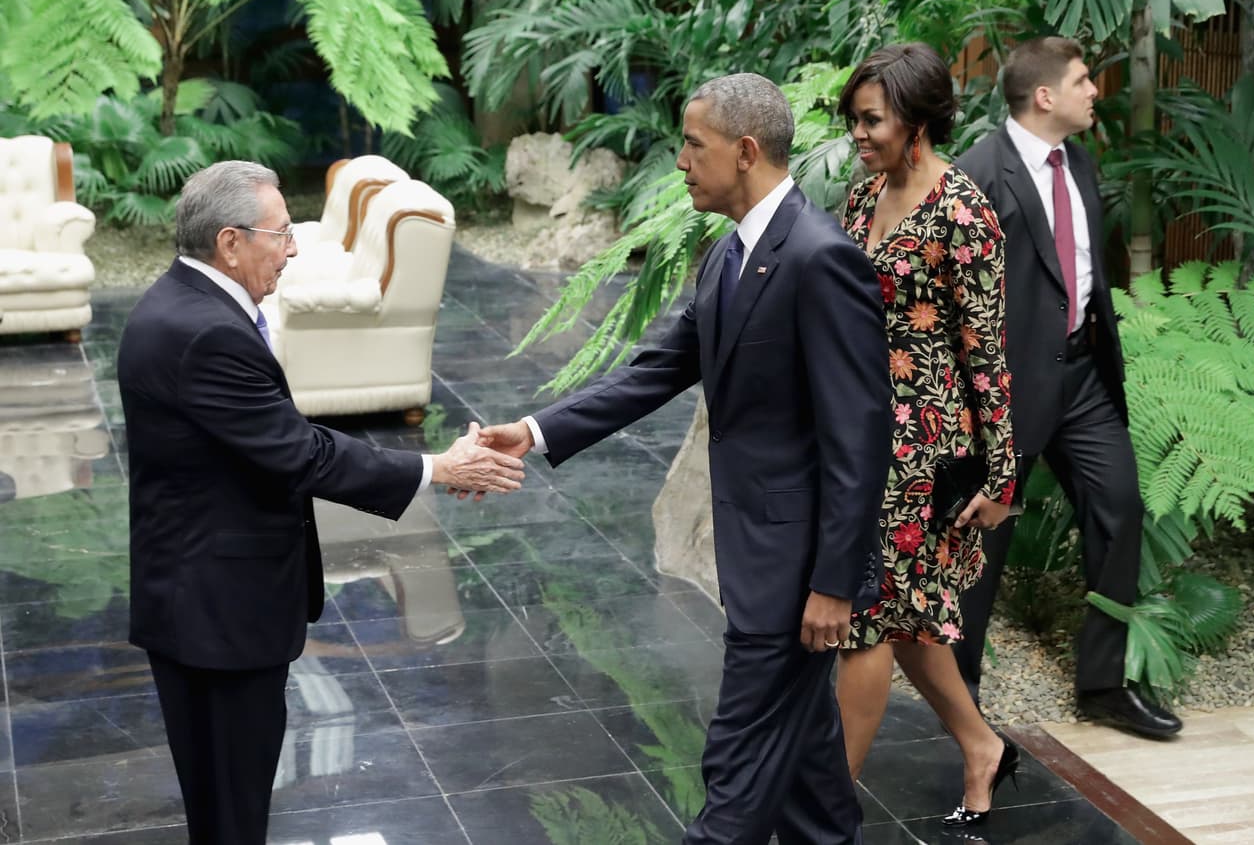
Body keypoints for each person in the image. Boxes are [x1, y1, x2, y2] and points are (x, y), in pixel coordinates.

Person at [479, 73, 892, 844]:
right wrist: (534, 430)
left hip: (793, 572)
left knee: (734, 778)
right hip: (759, 558)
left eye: (692, 145)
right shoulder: (728, 253)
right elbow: (654, 370)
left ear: (743, 152)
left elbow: (860, 434)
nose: (678, 162)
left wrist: (835, 583)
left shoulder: (819, 258)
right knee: (811, 789)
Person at [117, 160, 526, 844]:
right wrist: (437, 465)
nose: (294, 248)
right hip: (217, 612)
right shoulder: (205, 332)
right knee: (232, 810)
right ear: (230, 242)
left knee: (227, 805)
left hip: (201, 601)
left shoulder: (186, 305)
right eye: (282, 234)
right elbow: (301, 451)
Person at [954, 37, 1182, 738]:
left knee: (1120, 507)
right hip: (1010, 390)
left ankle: (1104, 686)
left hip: (1084, 375)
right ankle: (961, 703)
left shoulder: (1079, 161)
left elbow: (1081, 270)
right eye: (1083, 81)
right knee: (980, 548)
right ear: (1044, 95)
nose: (1095, 91)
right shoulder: (977, 174)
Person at [834, 43, 1021, 827]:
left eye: (870, 120)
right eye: (853, 119)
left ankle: (823, 802)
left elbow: (987, 350)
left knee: (868, 616)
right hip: (856, 428)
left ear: (916, 118)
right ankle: (982, 746)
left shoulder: (964, 212)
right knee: (908, 616)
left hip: (919, 445)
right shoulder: (861, 192)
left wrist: (1002, 477)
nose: (857, 134)